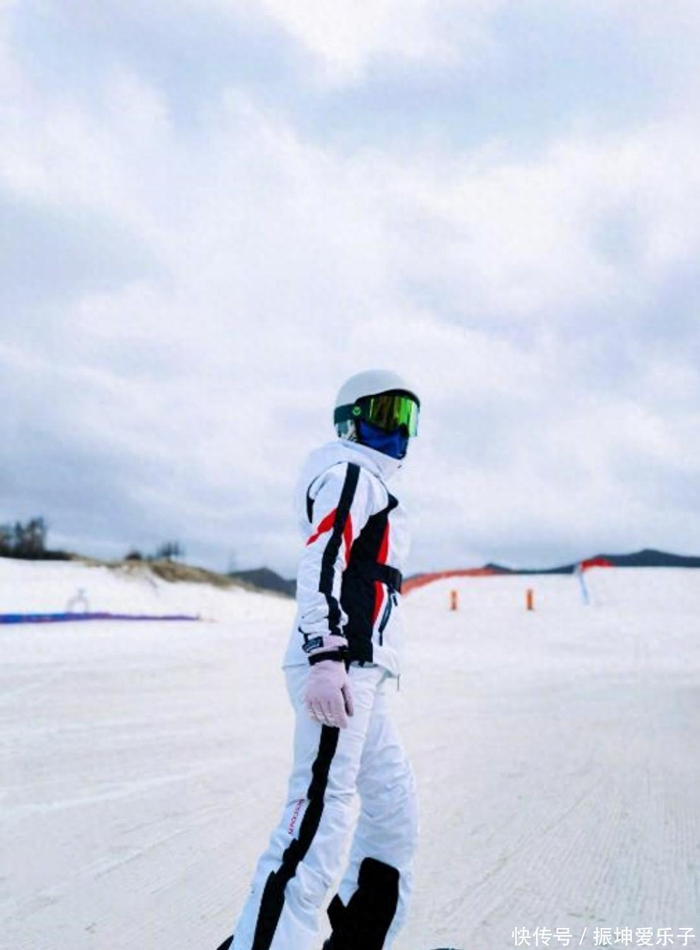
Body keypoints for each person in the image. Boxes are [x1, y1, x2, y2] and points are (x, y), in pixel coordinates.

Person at [224, 369, 421, 950]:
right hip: (338, 666)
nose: (397, 433)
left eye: (407, 419)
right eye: (384, 415)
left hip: (363, 671)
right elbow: (324, 557)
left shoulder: (371, 482)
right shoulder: (348, 472)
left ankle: (360, 936)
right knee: (319, 817)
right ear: (350, 421)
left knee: (392, 806)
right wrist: (326, 651)